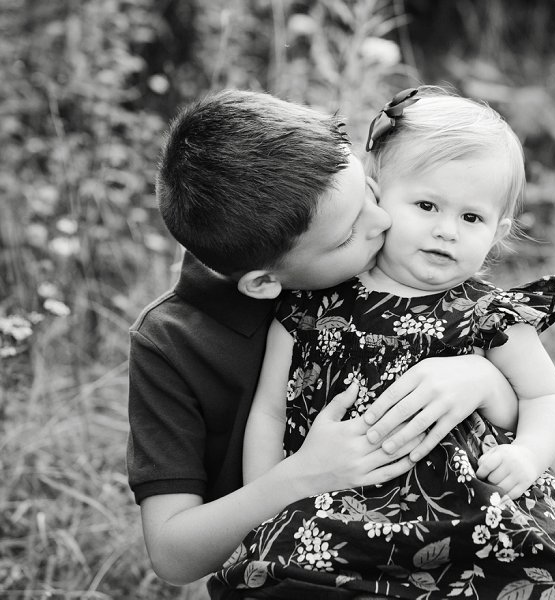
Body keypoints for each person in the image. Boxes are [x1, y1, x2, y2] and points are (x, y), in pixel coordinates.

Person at [126, 89, 521, 598]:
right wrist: (302, 476)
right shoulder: (170, 343)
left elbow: (523, 406)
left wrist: (482, 378)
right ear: (265, 283)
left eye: (370, 194)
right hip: (304, 564)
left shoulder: (384, 264)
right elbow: (172, 552)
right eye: (347, 233)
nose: (383, 223)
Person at [211, 87, 555, 599]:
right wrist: (267, 498)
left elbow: (546, 398)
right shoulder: (312, 301)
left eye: (470, 218)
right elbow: (271, 411)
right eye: (427, 205)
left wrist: (527, 454)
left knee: (533, 568)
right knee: (292, 574)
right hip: (333, 508)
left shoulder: (486, 312)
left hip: (464, 519)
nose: (445, 231)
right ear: (376, 197)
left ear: (498, 232)